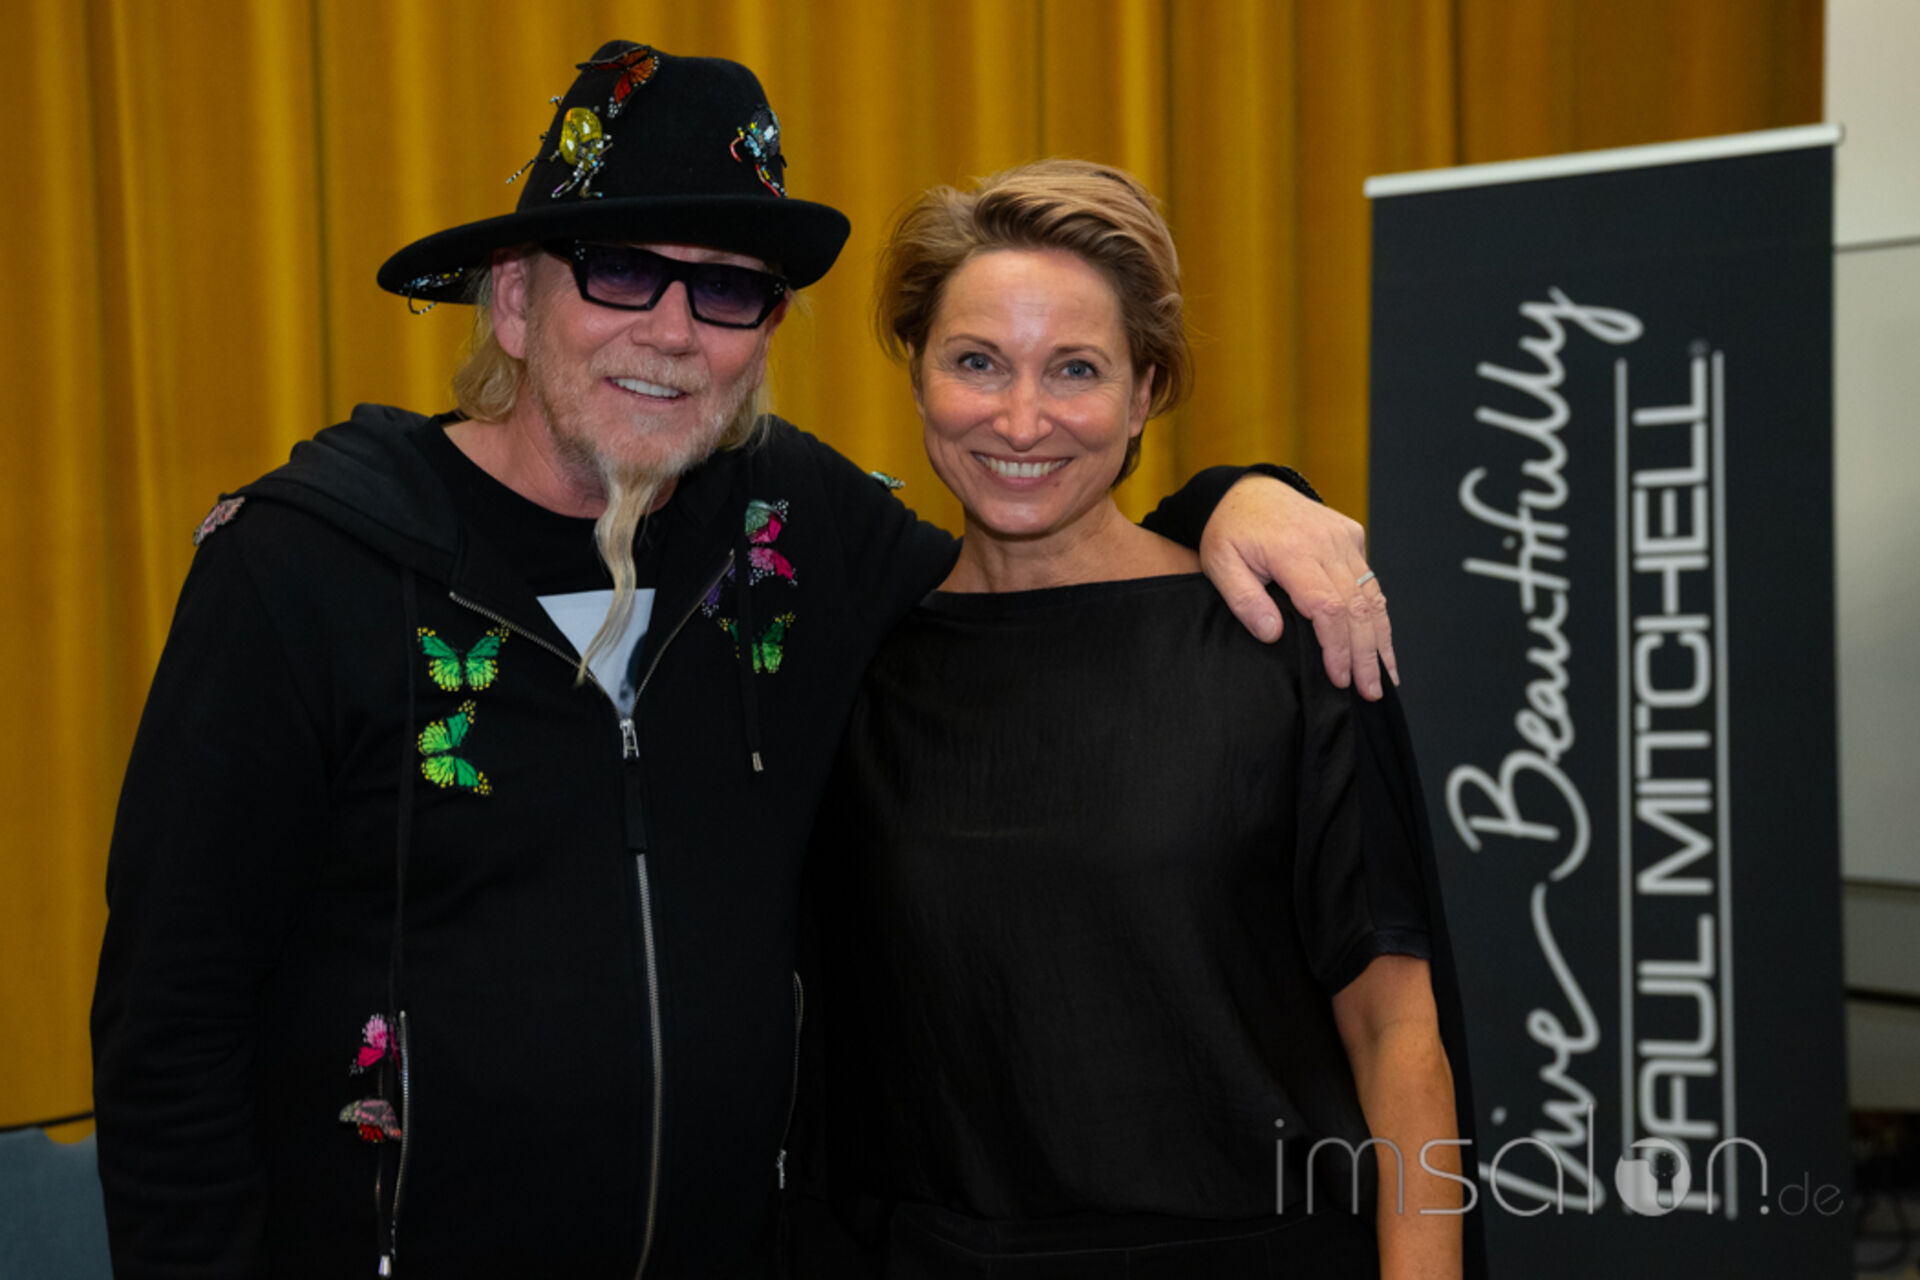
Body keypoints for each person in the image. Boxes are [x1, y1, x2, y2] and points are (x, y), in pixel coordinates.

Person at [90, 45, 1397, 1279]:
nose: (673, 330)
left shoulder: (790, 531)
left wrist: (1239, 499)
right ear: (512, 300)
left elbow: (1039, 542)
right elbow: (170, 1029)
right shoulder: (305, 568)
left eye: (726, 288)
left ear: (765, 332)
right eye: (619, 270)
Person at [801, 159, 1476, 1279]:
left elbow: (1397, 1032)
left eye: (1076, 368)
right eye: (977, 361)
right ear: (917, 375)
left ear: (1145, 392)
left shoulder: (1280, 633)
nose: (1022, 418)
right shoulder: (858, 669)